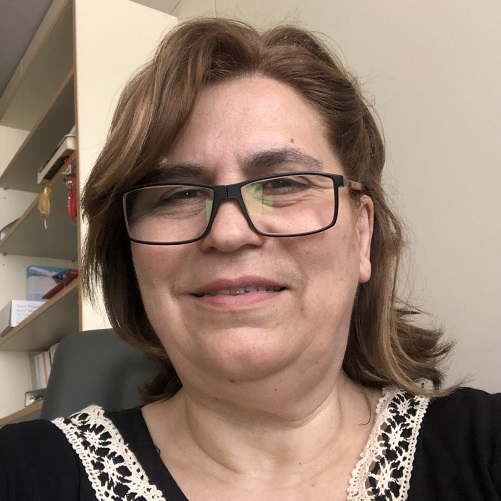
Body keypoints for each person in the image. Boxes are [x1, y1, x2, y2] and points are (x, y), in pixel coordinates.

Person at [1, 17, 500, 501]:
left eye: (282, 184)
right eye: (177, 195)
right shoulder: (21, 471)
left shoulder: (484, 447)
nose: (228, 232)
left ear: (362, 235)